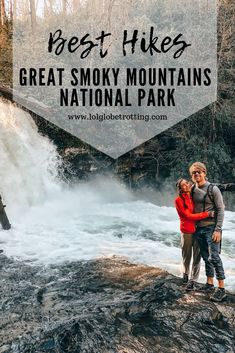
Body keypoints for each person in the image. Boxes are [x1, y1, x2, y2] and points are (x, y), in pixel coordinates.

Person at [189, 162, 226, 302]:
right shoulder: (192, 189)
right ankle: (210, 284)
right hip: (199, 229)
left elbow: (221, 210)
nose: (197, 174)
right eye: (194, 173)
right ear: (192, 176)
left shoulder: (213, 189)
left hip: (211, 228)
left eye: (199, 172)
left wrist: (218, 230)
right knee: (206, 257)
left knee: (214, 257)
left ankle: (221, 289)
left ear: (204, 173)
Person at [175, 179, 214, 291]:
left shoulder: (193, 195)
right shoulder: (178, 200)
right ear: (180, 188)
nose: (186, 186)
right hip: (186, 231)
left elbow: (206, 188)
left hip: (198, 230)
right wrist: (207, 214)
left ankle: (193, 280)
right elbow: (189, 216)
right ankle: (185, 274)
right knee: (187, 256)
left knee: (197, 256)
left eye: (187, 183)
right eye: (183, 185)